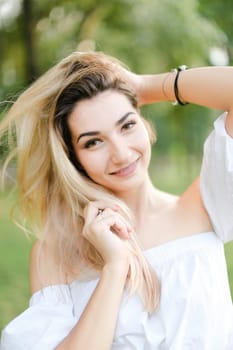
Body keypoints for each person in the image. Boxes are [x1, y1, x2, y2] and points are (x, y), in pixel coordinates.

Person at [0, 50, 233, 350]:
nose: (121, 153)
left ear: (146, 125)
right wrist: (115, 266)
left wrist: (147, 86)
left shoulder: (204, 206)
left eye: (127, 125)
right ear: (75, 159)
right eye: (93, 142)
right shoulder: (55, 254)